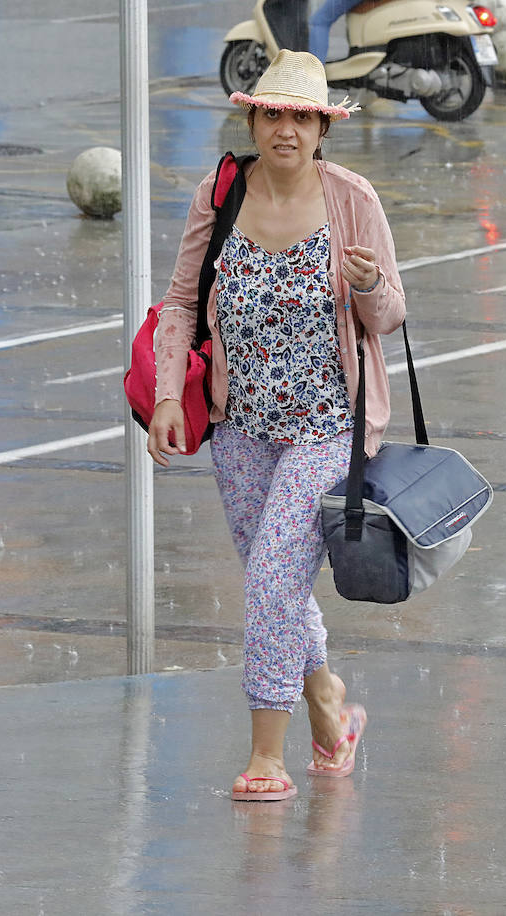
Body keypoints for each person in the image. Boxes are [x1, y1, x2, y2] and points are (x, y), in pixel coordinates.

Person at [148, 50, 406, 801]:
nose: (285, 129)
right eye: (272, 114)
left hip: (329, 428)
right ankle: (329, 704)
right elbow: (180, 303)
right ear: (252, 119)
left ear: (323, 127)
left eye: (301, 117)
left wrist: (367, 286)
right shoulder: (222, 191)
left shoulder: (352, 199)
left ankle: (268, 752)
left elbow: (392, 315)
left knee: (268, 581)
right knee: (280, 587)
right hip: (239, 429)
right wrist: (169, 395)